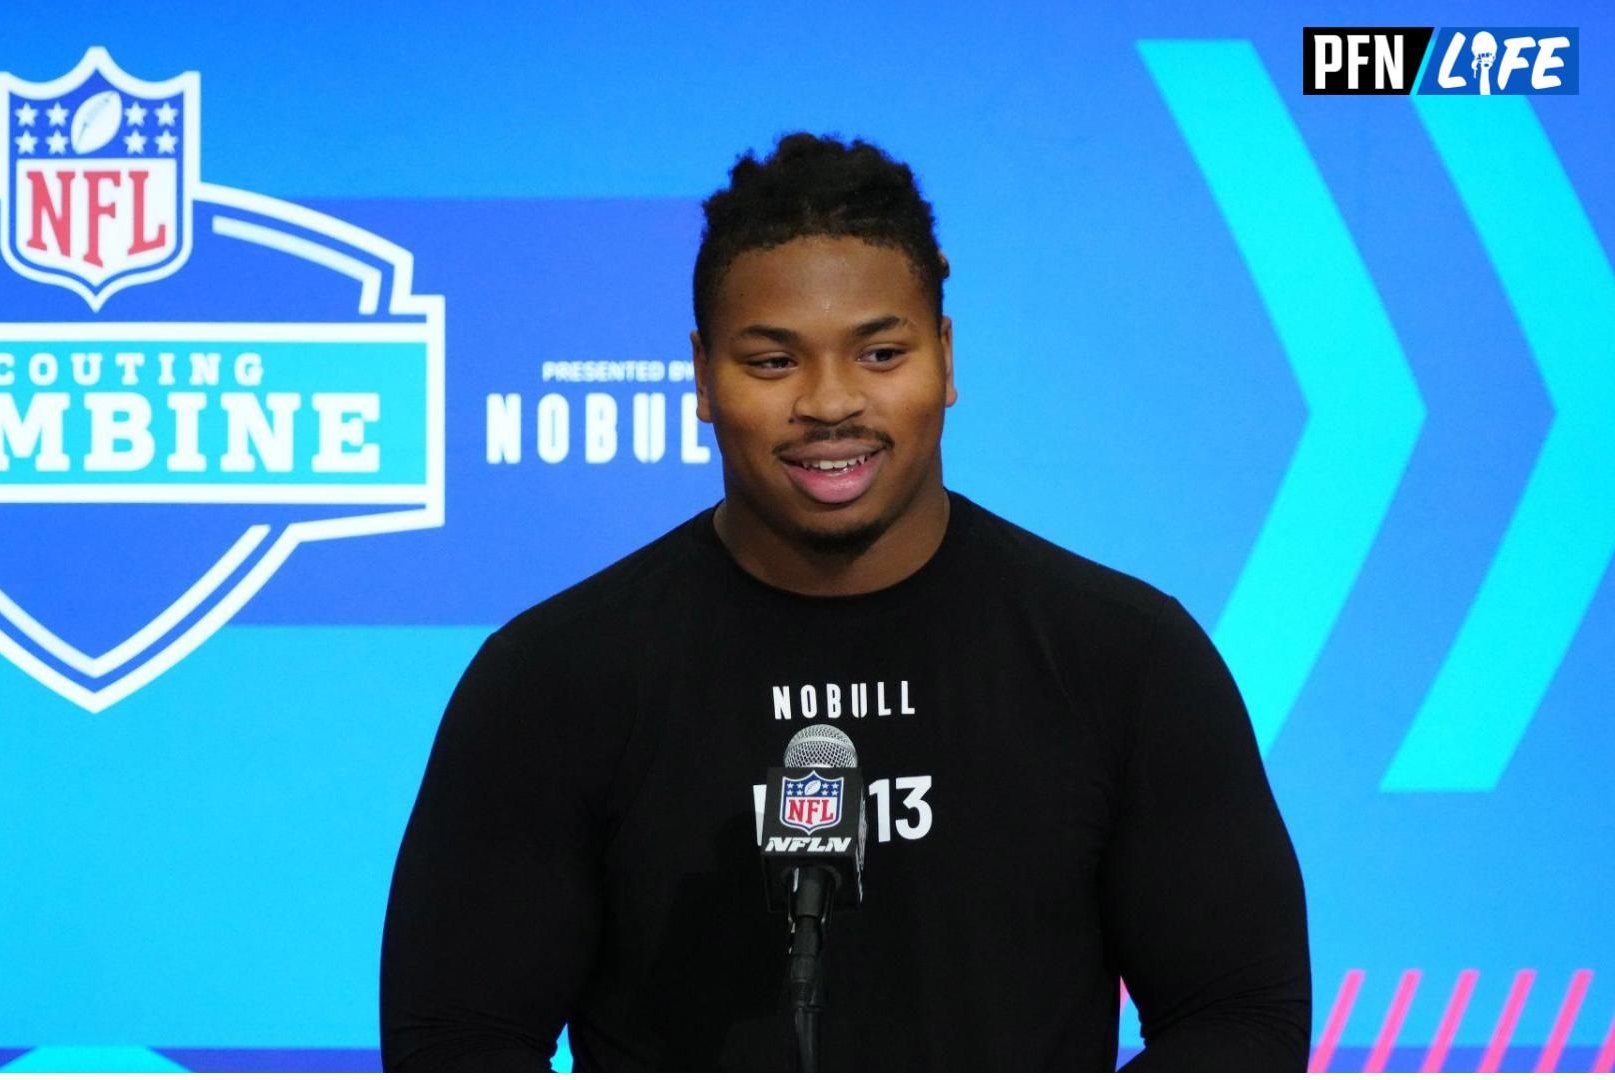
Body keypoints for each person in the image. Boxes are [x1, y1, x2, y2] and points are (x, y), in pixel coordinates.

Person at [380, 133, 1310, 1071]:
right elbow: (459, 1045)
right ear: (703, 378)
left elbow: (1239, 1020)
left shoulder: (1125, 660)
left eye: (879, 352)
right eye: (774, 362)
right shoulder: (553, 680)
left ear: (944, 358)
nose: (831, 404)